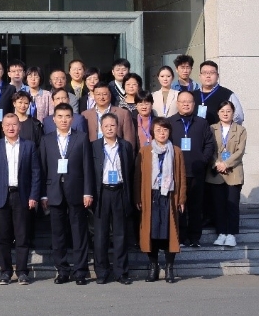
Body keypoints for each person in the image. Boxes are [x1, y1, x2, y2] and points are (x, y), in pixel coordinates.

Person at [40, 103, 94, 285]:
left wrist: (88, 192)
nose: (64, 120)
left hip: (77, 191)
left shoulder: (82, 137)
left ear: (73, 119)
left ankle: (80, 271)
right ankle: (62, 270)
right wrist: (43, 195)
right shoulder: (46, 140)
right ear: (53, 119)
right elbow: (42, 168)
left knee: (79, 233)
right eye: (60, 116)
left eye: (67, 116)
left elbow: (87, 167)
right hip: (54, 191)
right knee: (58, 234)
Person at [0, 113, 40, 285]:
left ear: (20, 127)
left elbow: (36, 173)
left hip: (22, 195)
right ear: (2, 127)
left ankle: (22, 272)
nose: (11, 128)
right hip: (1, 195)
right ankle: (5, 272)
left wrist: (33, 195)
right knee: (2, 237)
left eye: (14, 124)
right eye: (7, 125)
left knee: (22, 236)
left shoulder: (29, 146)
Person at [135, 117, 186, 284]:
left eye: (165, 130)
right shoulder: (145, 151)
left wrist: (182, 198)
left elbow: (181, 176)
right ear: (152, 132)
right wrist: (138, 197)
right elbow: (138, 177)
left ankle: (170, 268)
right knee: (151, 232)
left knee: (170, 233)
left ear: (169, 132)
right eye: (158, 130)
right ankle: (153, 267)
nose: (162, 133)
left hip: (169, 196)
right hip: (151, 195)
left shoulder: (176, 151)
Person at [91, 113, 135, 285]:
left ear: (118, 127)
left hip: (119, 191)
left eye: (112, 126)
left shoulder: (125, 146)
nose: (109, 129)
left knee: (120, 234)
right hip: (101, 192)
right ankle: (102, 272)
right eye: (106, 126)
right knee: (100, 235)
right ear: (101, 128)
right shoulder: (94, 146)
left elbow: (130, 171)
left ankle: (121, 272)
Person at [170, 91, 216, 248]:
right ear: (177, 103)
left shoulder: (202, 123)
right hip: (176, 172)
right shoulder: (170, 122)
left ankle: (195, 238)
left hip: (197, 171)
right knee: (179, 205)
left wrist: (203, 160)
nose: (185, 104)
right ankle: (182, 237)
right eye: (182, 101)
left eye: (189, 101)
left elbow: (209, 144)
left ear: (194, 104)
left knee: (196, 206)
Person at [208, 101, 247, 248]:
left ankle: (231, 234)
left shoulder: (241, 130)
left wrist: (226, 164)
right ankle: (221, 233)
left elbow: (240, 151)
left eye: (228, 111)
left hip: (234, 171)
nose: (225, 113)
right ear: (218, 113)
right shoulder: (211, 128)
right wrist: (217, 163)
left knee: (232, 204)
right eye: (222, 111)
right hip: (216, 172)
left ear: (233, 113)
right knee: (218, 205)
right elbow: (209, 148)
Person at [192, 60, 244, 125]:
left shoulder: (227, 94)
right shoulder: (192, 95)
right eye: (204, 73)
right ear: (200, 76)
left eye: (212, 73)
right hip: (196, 131)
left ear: (217, 76)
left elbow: (238, 117)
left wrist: (227, 129)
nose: (208, 76)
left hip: (218, 131)